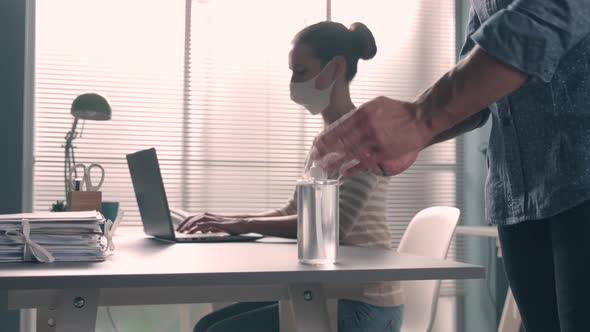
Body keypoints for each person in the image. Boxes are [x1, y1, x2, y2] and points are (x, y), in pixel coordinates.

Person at [312, 1, 590, 332]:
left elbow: (542, 14)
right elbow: (479, 87)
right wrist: (414, 136)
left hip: (580, 179)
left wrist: (420, 116)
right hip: (517, 193)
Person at [177, 21, 405, 332]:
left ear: (335, 67)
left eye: (301, 70)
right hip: (329, 294)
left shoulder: (364, 139)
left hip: (364, 304)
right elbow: (294, 212)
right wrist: (226, 221)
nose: (293, 83)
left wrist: (244, 225)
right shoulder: (325, 140)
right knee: (206, 326)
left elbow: (331, 227)